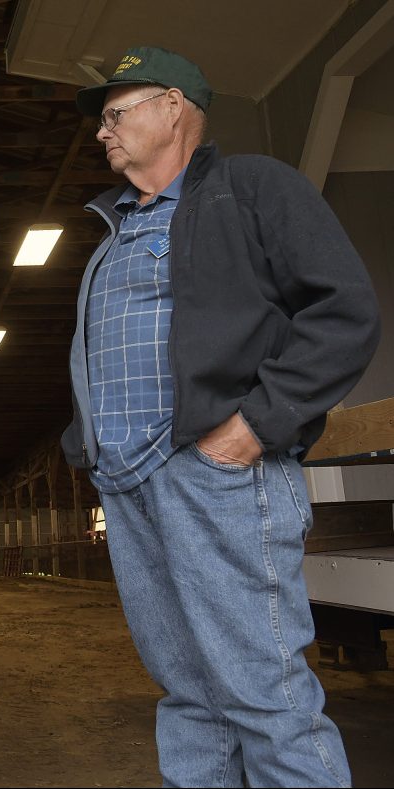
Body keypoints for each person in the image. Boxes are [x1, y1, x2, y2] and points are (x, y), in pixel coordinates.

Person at [62, 47, 380, 787]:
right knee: (189, 692)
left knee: (261, 691)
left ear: (173, 106)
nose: (100, 131)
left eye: (115, 113)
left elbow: (342, 310)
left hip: (217, 474)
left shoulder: (250, 187)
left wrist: (253, 425)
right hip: (131, 483)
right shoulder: (114, 230)